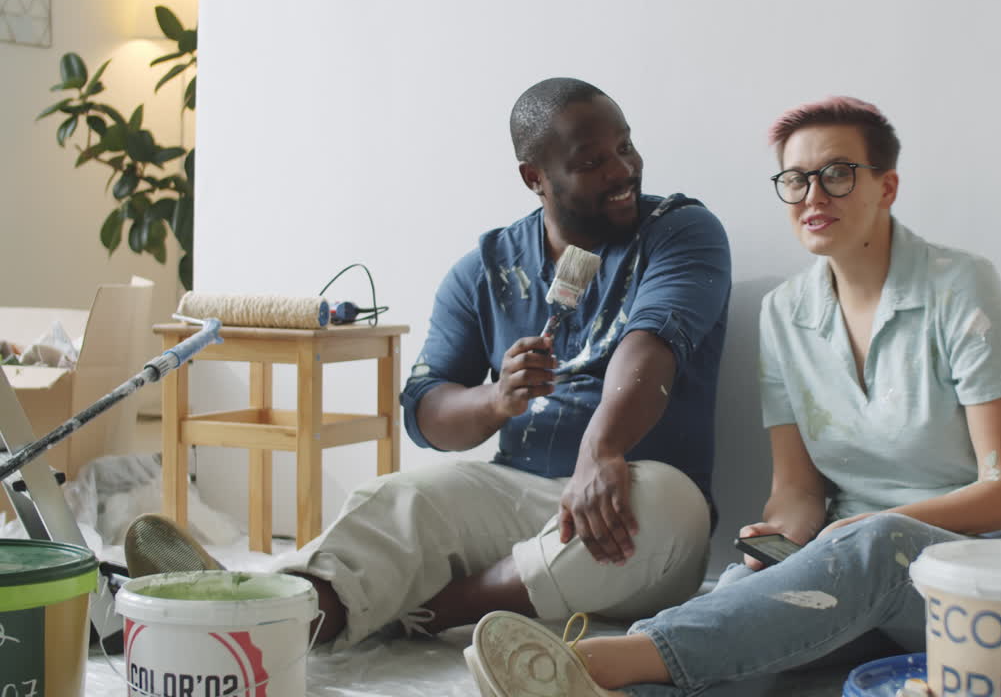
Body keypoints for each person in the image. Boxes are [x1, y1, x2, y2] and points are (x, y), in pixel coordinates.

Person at [464, 96, 1001, 696]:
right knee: (741, 601)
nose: (813, 195)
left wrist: (862, 530)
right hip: (855, 571)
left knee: (871, 548)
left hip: (994, 580)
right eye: (795, 179)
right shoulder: (786, 313)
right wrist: (782, 539)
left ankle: (599, 660)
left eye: (837, 174)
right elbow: (799, 491)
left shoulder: (961, 287)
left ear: (887, 188)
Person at [271, 77, 733, 648]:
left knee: (671, 506)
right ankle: (267, 620)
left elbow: (648, 346)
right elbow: (427, 415)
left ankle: (433, 610)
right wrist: (495, 400)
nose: (623, 170)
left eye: (625, 146)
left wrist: (601, 451)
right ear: (534, 177)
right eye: (592, 162)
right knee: (396, 499)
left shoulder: (680, 231)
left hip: (631, 501)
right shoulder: (485, 270)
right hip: (518, 491)